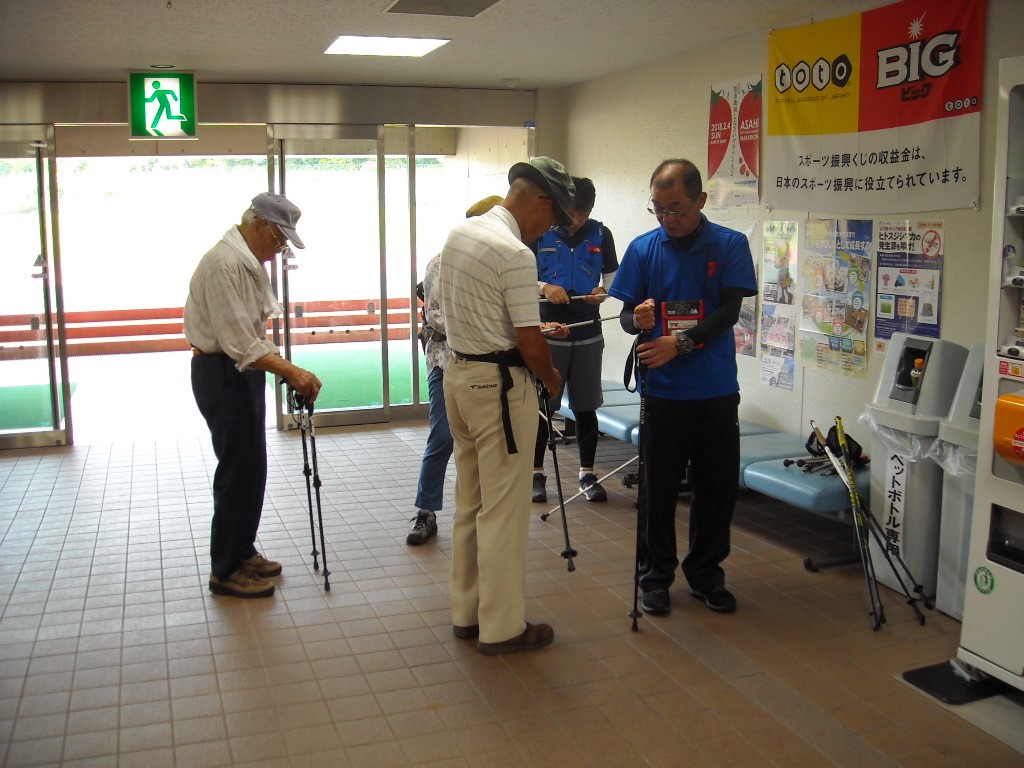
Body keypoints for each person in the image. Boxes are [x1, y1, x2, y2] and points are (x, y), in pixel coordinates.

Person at [609, 159, 757, 616]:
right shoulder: (643, 248)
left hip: (714, 390)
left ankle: (706, 575)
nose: (666, 218)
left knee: (716, 490)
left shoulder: (729, 244)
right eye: (658, 208)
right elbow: (626, 315)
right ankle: (654, 576)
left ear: (700, 202)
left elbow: (729, 311)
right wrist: (640, 319)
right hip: (664, 393)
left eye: (676, 209)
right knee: (657, 490)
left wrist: (683, 342)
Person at [439, 157, 572, 655]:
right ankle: (502, 627)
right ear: (540, 202)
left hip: (457, 377)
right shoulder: (515, 254)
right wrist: (551, 376)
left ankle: (466, 613)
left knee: (470, 500)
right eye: (552, 218)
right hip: (498, 388)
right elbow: (530, 342)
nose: (548, 229)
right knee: (504, 510)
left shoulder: (461, 232)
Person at [184, 192, 322, 599]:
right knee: (236, 471)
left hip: (239, 372)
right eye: (279, 239)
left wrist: (278, 364)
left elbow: (253, 334)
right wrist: (290, 370)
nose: (280, 249)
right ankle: (224, 569)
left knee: (252, 468)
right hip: (220, 372)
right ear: (259, 224)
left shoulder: (248, 260)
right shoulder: (224, 264)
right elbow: (239, 342)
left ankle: (242, 551)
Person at [406, 195, 505, 546]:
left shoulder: (502, 262)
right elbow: (437, 317)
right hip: (446, 362)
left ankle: (484, 511)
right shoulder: (441, 263)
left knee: (489, 441)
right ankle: (425, 512)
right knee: (443, 435)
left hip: (492, 368)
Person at [532, 177, 619, 504]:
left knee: (586, 407)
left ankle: (587, 473)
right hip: (548, 331)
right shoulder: (539, 234)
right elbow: (518, 279)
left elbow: (612, 278)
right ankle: (536, 474)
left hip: (587, 331)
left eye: (583, 214)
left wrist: (602, 293)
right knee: (544, 407)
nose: (577, 221)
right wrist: (543, 287)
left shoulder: (601, 233)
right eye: (571, 214)